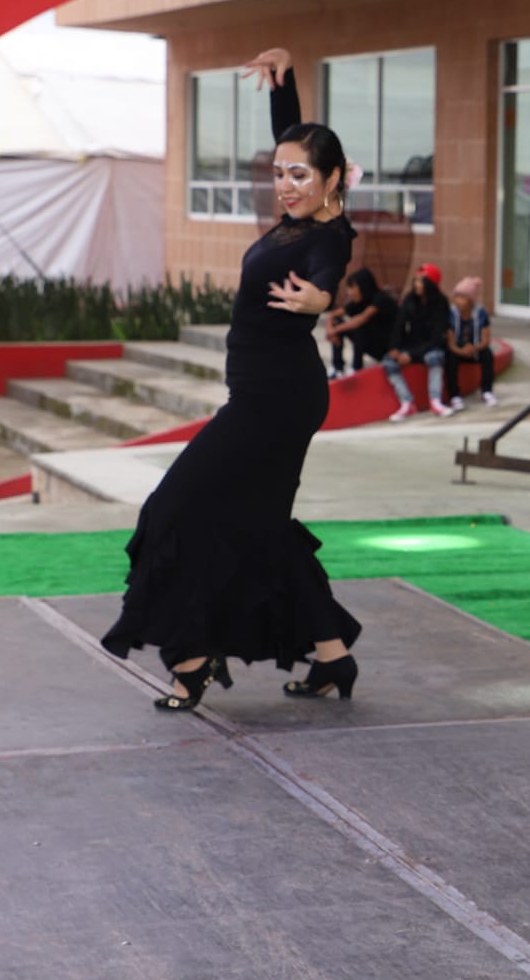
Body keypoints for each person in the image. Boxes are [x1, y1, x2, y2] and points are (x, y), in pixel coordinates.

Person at [102, 47, 365, 709]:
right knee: (262, 526)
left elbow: (329, 278)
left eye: (299, 175)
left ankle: (191, 658)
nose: (285, 183)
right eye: (279, 173)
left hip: (273, 404)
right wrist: (285, 82)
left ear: (334, 181)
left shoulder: (327, 236)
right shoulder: (299, 216)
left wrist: (322, 302)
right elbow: (296, 140)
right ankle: (333, 657)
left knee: (171, 510)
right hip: (267, 396)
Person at [382, 263, 454, 422]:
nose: (416, 285)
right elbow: (399, 325)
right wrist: (394, 348)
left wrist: (411, 355)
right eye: (415, 281)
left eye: (420, 281)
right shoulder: (410, 299)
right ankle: (407, 402)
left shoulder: (441, 303)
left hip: (431, 347)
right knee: (388, 362)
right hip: (411, 345)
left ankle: (435, 401)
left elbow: (437, 337)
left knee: (433, 358)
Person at [325, 266, 395, 378]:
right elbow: (333, 315)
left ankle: (356, 367)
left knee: (357, 327)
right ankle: (337, 368)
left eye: (352, 288)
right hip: (369, 340)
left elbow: (361, 319)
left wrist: (334, 331)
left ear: (363, 286)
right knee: (337, 323)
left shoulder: (381, 298)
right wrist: (330, 329)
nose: (350, 292)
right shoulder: (359, 301)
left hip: (386, 346)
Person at [443, 275, 496, 410]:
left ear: (471, 300)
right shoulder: (451, 313)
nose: (458, 301)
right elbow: (450, 342)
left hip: (475, 349)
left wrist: (474, 348)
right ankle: (455, 396)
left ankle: (486, 391)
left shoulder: (480, 312)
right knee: (449, 358)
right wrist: (461, 350)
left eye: (462, 297)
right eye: (456, 297)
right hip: (457, 350)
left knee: (487, 354)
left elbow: (486, 340)